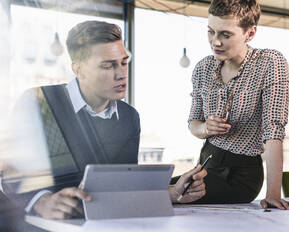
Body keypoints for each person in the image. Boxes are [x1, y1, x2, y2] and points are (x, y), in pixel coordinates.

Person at [5, 20, 206, 220]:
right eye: (107, 66)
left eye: (124, 63)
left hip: (99, 222)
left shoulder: (129, 117)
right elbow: (10, 173)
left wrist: (173, 192)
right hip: (42, 223)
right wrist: (41, 201)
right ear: (79, 69)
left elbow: (121, 187)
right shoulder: (38, 102)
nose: (121, 74)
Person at [188, 0, 289, 210]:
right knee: (159, 190)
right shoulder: (203, 68)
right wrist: (206, 128)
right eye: (211, 32)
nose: (215, 42)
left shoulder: (269, 63)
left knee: (162, 192)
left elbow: (273, 130)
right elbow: (193, 124)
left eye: (225, 35)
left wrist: (273, 194)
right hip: (205, 165)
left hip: (241, 176)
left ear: (250, 33)